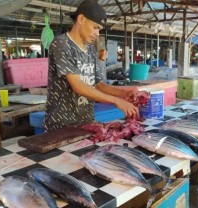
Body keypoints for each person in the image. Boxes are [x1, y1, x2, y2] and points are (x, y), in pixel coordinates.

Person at [44, 0, 139, 131]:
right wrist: (116, 101)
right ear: (81, 19)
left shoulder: (89, 49)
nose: (97, 34)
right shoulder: (61, 44)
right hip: (62, 126)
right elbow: (78, 86)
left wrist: (123, 93)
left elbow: (98, 84)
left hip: (86, 122)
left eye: (99, 29)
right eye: (95, 27)